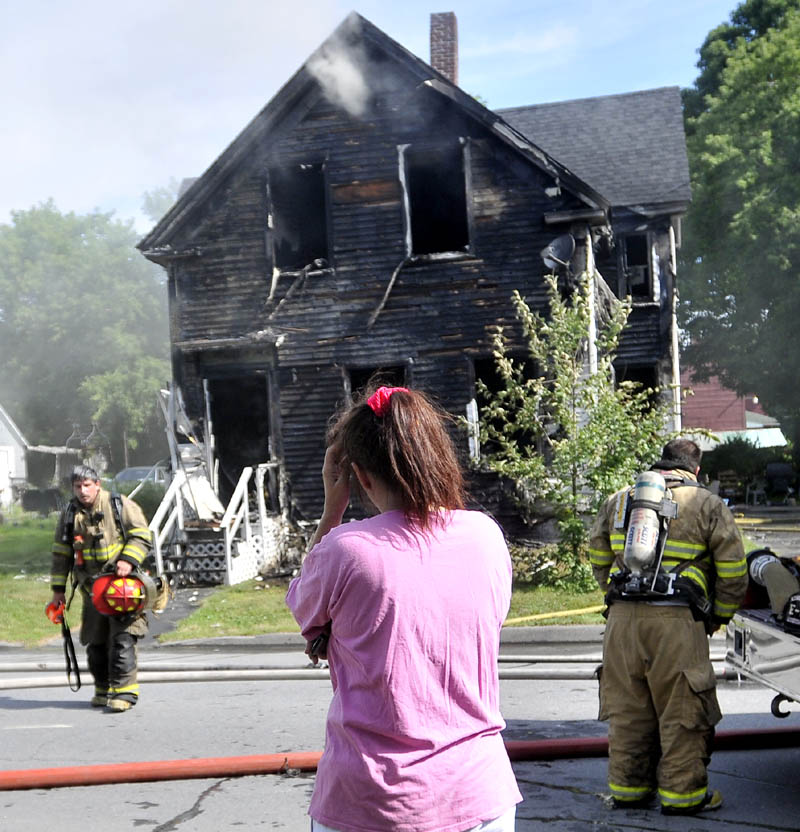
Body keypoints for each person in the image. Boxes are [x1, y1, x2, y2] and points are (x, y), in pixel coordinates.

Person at [285, 386, 522, 832]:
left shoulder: (346, 549)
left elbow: (305, 609)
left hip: (373, 802)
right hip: (480, 794)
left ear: (360, 475)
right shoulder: (486, 537)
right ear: (437, 454)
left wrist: (331, 510)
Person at [588, 438, 748, 815]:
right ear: (695, 469)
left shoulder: (620, 500)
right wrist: (717, 617)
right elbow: (734, 571)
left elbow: (597, 554)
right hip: (677, 622)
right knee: (682, 711)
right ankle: (684, 796)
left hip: (622, 621)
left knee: (629, 712)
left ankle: (628, 789)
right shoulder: (706, 503)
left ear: (661, 463)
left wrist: (623, 598)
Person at [50, 464, 153, 712]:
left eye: (87, 485)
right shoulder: (68, 515)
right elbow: (61, 554)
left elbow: (141, 535)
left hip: (121, 589)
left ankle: (125, 692)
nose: (83, 491)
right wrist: (58, 590)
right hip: (92, 591)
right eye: (78, 486)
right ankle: (103, 689)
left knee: (122, 639)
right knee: (95, 643)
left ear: (98, 485)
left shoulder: (119, 505)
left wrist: (127, 560)